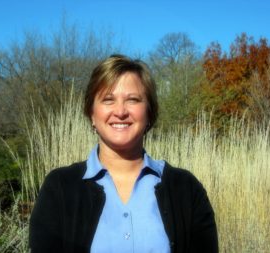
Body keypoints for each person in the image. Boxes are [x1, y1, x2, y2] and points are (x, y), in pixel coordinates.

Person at [29, 54, 218, 253]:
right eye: (108, 100)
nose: (120, 111)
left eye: (133, 100)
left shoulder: (186, 189)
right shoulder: (59, 188)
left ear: (149, 113)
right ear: (92, 113)